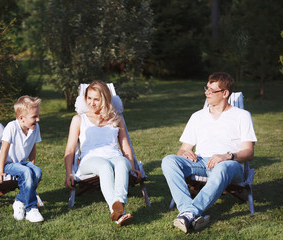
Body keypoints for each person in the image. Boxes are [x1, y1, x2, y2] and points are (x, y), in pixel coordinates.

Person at [161, 72, 257, 233]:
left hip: (229, 165)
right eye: (206, 88)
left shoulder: (242, 116)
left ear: (225, 93)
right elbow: (183, 148)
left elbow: (249, 152)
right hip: (199, 162)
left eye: (212, 90)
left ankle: (189, 212)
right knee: (169, 160)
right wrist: (184, 153)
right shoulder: (197, 116)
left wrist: (227, 156)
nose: (207, 93)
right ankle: (188, 211)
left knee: (222, 167)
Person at [64, 80, 142, 226]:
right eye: (89, 98)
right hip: (90, 160)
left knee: (121, 162)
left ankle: (119, 209)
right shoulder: (79, 119)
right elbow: (69, 149)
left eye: (96, 99)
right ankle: (118, 207)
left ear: (104, 99)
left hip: (114, 156)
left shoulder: (116, 119)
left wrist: (133, 167)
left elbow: (125, 146)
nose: (91, 103)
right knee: (105, 166)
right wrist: (69, 172)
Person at [0, 96, 44, 223]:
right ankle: (31, 208)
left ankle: (19, 201)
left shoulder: (35, 128)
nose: (38, 119)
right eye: (34, 117)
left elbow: (33, 148)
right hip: (8, 164)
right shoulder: (11, 127)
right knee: (26, 172)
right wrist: (0, 171)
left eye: (38, 115)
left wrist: (32, 166)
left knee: (37, 172)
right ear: (22, 118)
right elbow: (4, 151)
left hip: (22, 163)